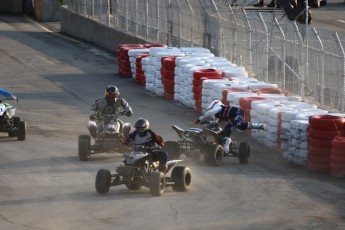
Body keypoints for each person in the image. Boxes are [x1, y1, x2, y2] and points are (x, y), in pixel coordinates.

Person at [194, 100, 265, 154]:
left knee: (239, 125)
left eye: (211, 109)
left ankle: (259, 126)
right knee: (225, 132)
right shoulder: (219, 115)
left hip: (238, 113)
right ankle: (226, 148)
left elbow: (209, 113)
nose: (213, 115)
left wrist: (199, 120)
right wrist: (205, 122)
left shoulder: (219, 108)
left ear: (213, 106)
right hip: (232, 120)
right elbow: (214, 122)